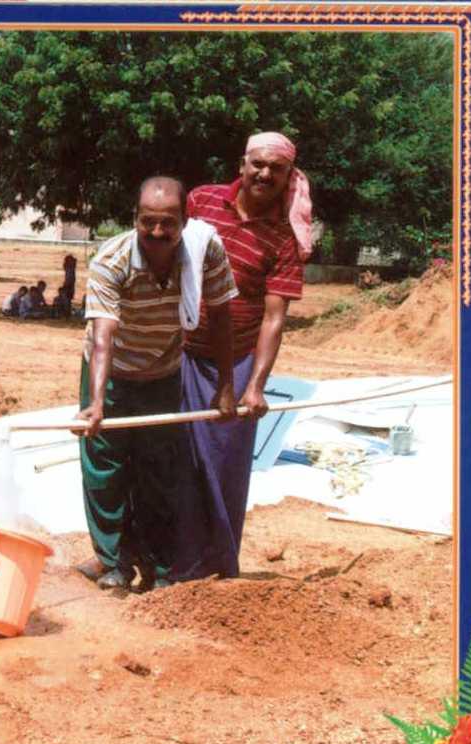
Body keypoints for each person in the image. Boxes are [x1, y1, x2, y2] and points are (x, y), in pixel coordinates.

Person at [74, 176, 239, 592]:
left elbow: (221, 318)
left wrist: (226, 387)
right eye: (148, 222)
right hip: (110, 372)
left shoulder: (205, 252)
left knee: (160, 471)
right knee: (106, 469)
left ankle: (158, 566)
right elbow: (103, 335)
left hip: (164, 372)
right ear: (135, 219)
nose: (158, 233)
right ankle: (114, 563)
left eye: (168, 223)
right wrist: (96, 404)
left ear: (186, 220)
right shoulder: (111, 260)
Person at [175, 132, 311, 581]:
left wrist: (254, 385)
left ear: (288, 176)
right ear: (242, 164)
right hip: (179, 352)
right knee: (171, 458)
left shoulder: (285, 239)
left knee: (224, 463)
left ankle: (214, 567)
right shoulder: (200, 201)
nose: (265, 174)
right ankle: (169, 563)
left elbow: (274, 318)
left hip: (235, 363)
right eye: (258, 164)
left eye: (276, 168)